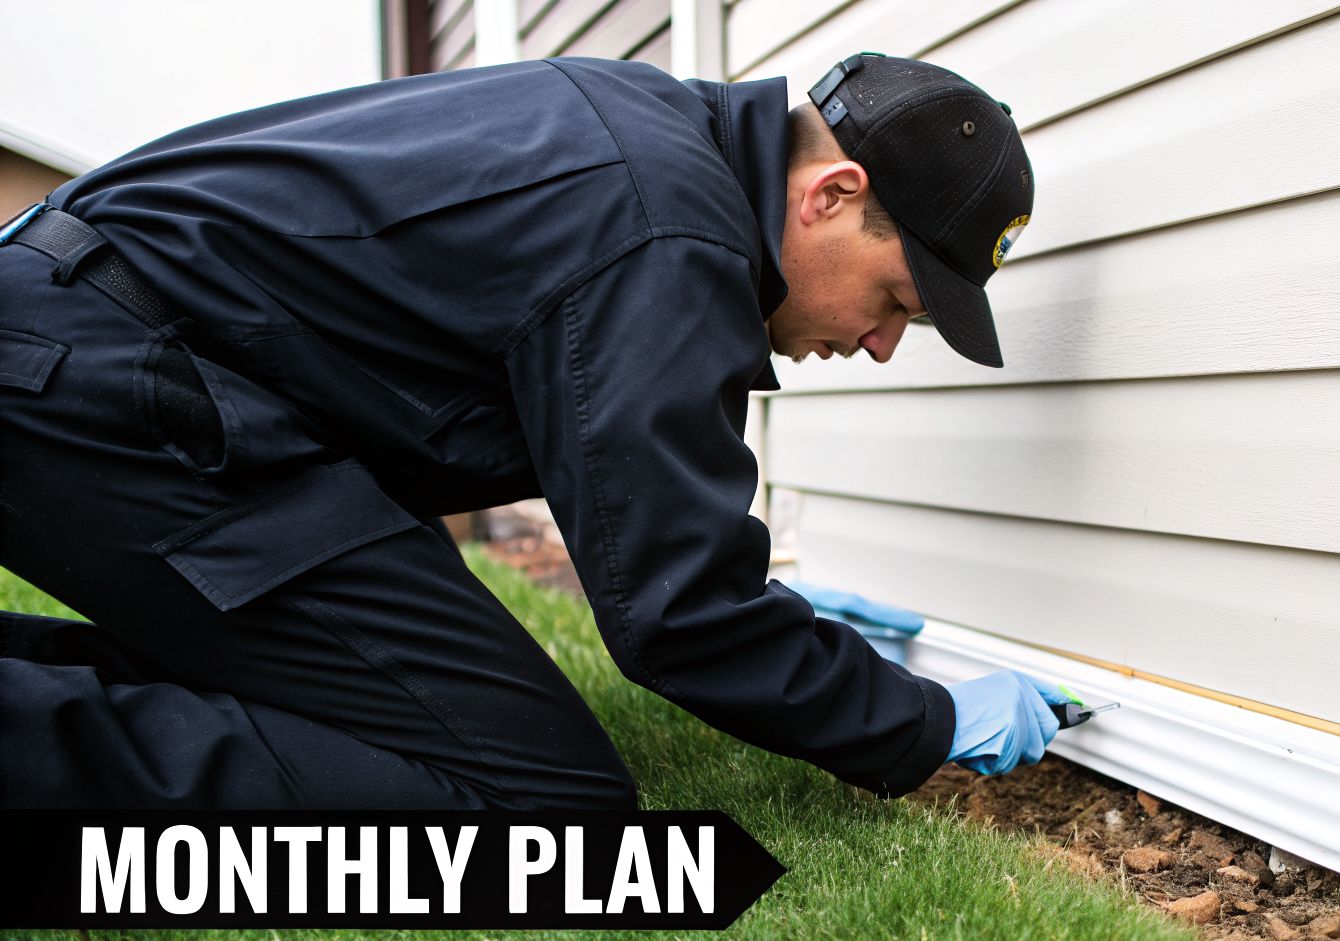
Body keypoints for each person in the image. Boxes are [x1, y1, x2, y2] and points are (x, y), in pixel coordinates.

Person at [0, 52, 1067, 809]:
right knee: (542, 804)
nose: (881, 345)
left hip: (111, 357)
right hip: (108, 385)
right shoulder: (667, 229)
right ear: (831, 195)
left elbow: (611, 478)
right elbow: (681, 614)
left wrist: (787, 624)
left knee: (399, 695)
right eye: (895, 300)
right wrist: (921, 720)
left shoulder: (656, 144)